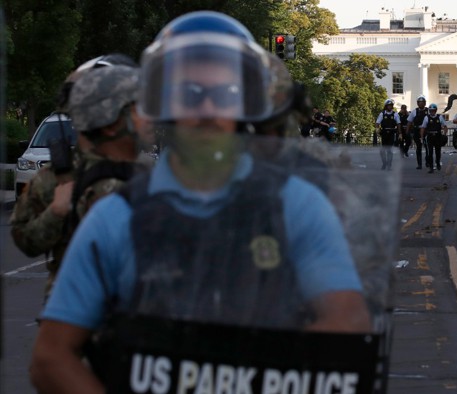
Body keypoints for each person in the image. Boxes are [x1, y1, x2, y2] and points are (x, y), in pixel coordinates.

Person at [30, 11, 370, 392]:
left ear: (247, 104)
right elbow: (51, 357)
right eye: (189, 93)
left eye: (225, 94)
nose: (207, 109)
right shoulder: (117, 216)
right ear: (161, 101)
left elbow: (347, 323)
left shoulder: (295, 204)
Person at [9, 55, 148, 301]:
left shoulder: (151, 172)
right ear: (109, 118)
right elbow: (24, 239)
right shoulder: (55, 178)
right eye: (136, 109)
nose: (147, 119)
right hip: (71, 311)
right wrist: (56, 212)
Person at [420, 103, 448, 173]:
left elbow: (445, 126)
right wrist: (422, 137)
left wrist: (444, 134)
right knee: (430, 152)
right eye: (431, 110)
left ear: (436, 110)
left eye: (433, 110)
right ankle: (431, 167)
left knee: (438, 152)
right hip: (429, 136)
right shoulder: (426, 118)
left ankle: (438, 163)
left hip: (438, 136)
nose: (432, 112)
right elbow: (423, 128)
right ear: (429, 111)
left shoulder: (440, 117)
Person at [376, 98, 400, 170]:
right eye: (388, 105)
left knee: (389, 150)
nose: (390, 107)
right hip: (384, 133)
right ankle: (384, 163)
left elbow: (398, 124)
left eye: (391, 105)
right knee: (383, 150)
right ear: (386, 106)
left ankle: (389, 165)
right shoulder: (382, 114)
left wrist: (400, 133)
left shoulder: (395, 114)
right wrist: (377, 130)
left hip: (392, 133)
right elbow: (377, 123)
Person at [407, 95, 430, 169]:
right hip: (417, 131)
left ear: (425, 103)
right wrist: (407, 132)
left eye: (422, 102)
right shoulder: (414, 111)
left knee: (427, 147)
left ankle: (427, 162)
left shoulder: (428, 111)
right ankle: (419, 164)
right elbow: (409, 122)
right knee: (419, 147)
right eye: (420, 102)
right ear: (417, 103)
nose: (421, 104)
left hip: (426, 131)